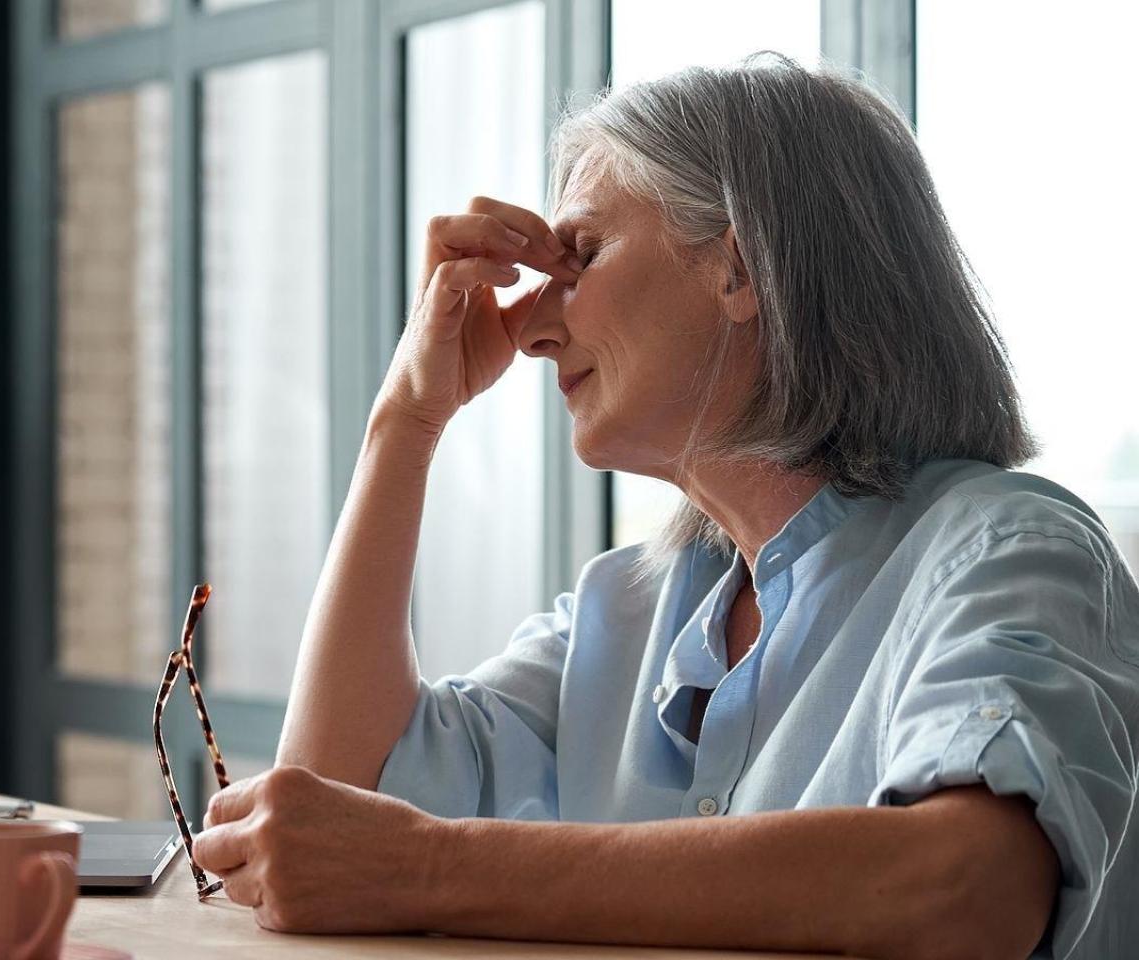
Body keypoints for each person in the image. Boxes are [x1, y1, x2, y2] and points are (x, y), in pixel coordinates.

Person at [193, 52, 1138, 960]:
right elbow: (335, 815)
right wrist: (405, 419)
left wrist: (430, 867)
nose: (534, 331)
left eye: (585, 255)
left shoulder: (1007, 550)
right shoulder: (630, 610)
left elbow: (968, 889)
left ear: (740, 269)